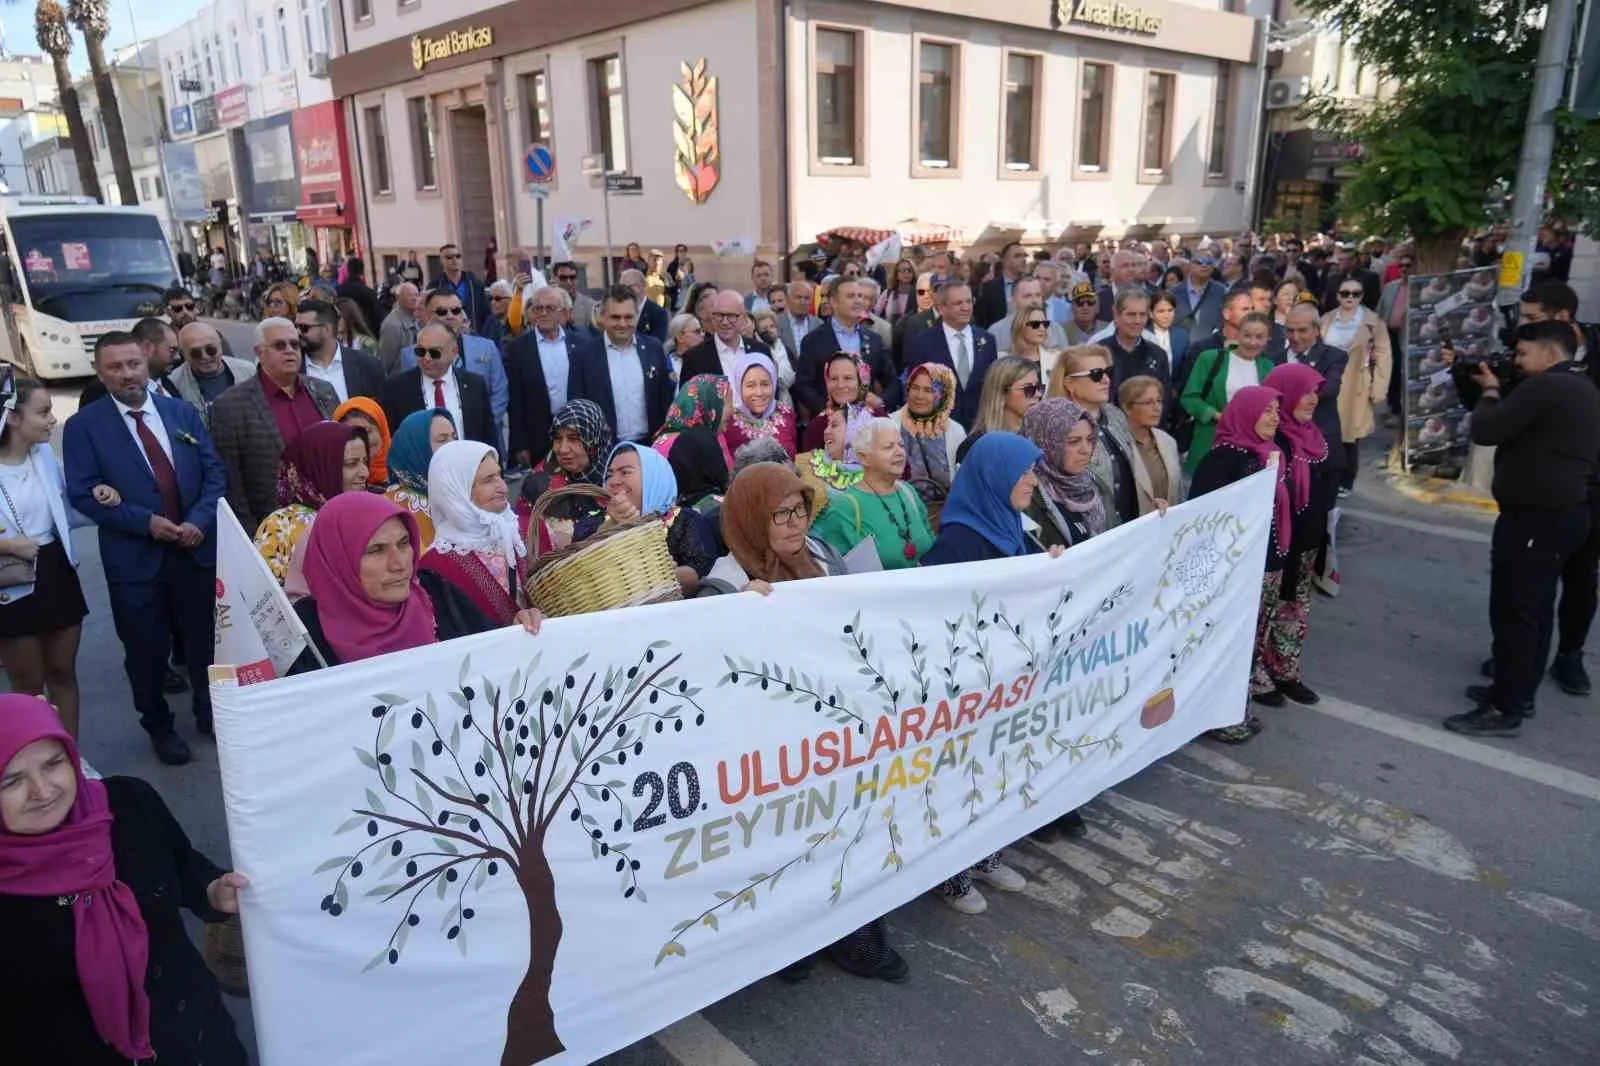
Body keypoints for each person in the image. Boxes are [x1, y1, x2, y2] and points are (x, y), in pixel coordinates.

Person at [0, 694, 250, 1066]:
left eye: (53, 763)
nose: (43, 791)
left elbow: (183, 866)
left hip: (197, 1038)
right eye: (11, 781)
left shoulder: (128, 804)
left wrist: (213, 891)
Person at [64, 333, 228, 766]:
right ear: (101, 372)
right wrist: (144, 523)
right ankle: (158, 724)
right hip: (136, 561)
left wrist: (198, 520)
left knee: (204, 643)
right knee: (146, 649)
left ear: (146, 363)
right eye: (115, 367)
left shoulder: (180, 412)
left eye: (133, 364)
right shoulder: (85, 427)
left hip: (194, 550)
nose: (127, 374)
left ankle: (208, 713)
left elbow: (214, 474)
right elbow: (81, 493)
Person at [920, 432, 1059, 912]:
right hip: (969, 685)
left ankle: (985, 852)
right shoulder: (960, 538)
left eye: (1033, 470)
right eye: (1022, 471)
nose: (1032, 481)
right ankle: (949, 871)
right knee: (961, 773)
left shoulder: (1011, 526)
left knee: (996, 767)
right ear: (994, 475)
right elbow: (934, 614)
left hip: (1006, 680)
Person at [1447, 322, 1600, 737]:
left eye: (1522, 354)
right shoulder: (1582, 386)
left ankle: (1504, 708)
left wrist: (1492, 389)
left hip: (1536, 518)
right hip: (1562, 516)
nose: (1517, 361)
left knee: (1516, 613)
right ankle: (1517, 692)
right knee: (1536, 610)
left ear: (1550, 354)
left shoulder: (1545, 388)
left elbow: (1486, 429)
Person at [290, 495, 539, 673]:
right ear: (337, 560)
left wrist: (517, 629)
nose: (400, 564)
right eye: (376, 550)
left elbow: (492, 651)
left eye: (404, 543)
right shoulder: (305, 635)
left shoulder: (435, 592)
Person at [1189, 385, 1290, 744]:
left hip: (1267, 564)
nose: (1274, 418)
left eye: (1277, 411)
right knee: (1229, 644)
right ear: (1245, 414)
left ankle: (1237, 708)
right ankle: (1216, 716)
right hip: (1236, 571)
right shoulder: (1223, 459)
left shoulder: (1271, 453)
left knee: (1252, 643)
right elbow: (1204, 521)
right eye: (1266, 411)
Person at [0, 380, 92, 736]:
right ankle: (39, 753)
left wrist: (101, 495)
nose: (52, 420)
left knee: (63, 673)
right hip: (13, 577)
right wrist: (8, 547)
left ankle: (70, 756)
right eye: (42, 412)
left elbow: (65, 509)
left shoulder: (43, 457)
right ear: (12, 419)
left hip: (56, 569)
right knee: (28, 685)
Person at [210, 318, 340, 533]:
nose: (290, 351)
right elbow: (231, 480)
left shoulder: (322, 391)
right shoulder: (231, 405)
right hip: (273, 528)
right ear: (259, 352)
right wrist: (251, 536)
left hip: (331, 518)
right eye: (280, 345)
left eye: (295, 345)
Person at [1259, 364, 1336, 707]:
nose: (1312, 399)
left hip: (1309, 541)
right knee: (1265, 610)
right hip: (1276, 544)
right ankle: (1258, 676)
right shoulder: (1272, 440)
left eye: (1316, 391)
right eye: (1305, 391)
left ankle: (1285, 670)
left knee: (1296, 608)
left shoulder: (1315, 434)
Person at [572, 443, 718, 595]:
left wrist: (649, 574)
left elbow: (699, 574)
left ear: (652, 477)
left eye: (625, 472)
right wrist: (611, 526)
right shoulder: (591, 522)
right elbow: (578, 569)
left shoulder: (683, 520)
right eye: (610, 474)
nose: (613, 481)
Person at [418, 441, 534, 627]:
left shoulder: (516, 535)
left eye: (499, 475)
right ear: (457, 490)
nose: (504, 487)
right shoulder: (434, 569)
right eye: (488, 480)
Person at [252, 422, 369, 587]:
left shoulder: (370, 512)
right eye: (351, 464)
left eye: (365, 461)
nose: (365, 473)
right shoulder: (280, 526)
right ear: (320, 467)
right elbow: (269, 600)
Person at [703, 461, 847, 594]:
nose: (795, 522)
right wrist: (740, 605)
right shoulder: (722, 587)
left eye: (800, 507)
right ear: (752, 522)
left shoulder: (827, 558)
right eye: (782, 512)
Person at [812, 417, 936, 569]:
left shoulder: (908, 491)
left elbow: (930, 540)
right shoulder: (845, 507)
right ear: (864, 457)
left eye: (901, 445)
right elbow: (837, 572)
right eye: (888, 447)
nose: (899, 452)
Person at [570, 287, 676, 444]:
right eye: (615, 317)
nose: (622, 323)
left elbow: (665, 399)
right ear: (602, 316)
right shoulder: (583, 355)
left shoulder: (654, 348)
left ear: (637, 316)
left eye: (628, 317)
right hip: (603, 447)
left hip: (650, 445)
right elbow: (576, 406)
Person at [1046, 345, 1138, 527]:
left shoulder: (1115, 415)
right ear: (1069, 384)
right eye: (1096, 374)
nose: (1106, 380)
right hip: (1090, 536)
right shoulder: (1056, 427)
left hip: (1129, 531)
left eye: (1108, 372)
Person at [1180, 313, 1279, 476]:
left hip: (1251, 450)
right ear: (1237, 334)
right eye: (1247, 335)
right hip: (1209, 441)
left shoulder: (1269, 367)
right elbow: (1189, 398)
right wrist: (1216, 415)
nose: (1252, 342)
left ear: (1268, 339)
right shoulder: (1210, 358)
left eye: (1259, 337)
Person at [381, 321, 498, 450]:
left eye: (434, 353)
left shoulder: (474, 384)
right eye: (420, 351)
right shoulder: (397, 389)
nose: (426, 358)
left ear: (454, 352)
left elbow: (488, 435)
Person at [795, 276, 899, 421]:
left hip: (867, 424)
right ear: (834, 302)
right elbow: (803, 385)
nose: (858, 301)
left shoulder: (874, 339)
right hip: (828, 427)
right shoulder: (813, 341)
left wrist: (881, 403)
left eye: (860, 296)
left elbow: (893, 381)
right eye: (851, 296)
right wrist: (826, 411)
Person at [506, 287, 585, 470]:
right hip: (538, 435)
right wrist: (520, 444)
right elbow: (515, 401)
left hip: (577, 430)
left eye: (549, 308)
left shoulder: (581, 344)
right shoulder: (518, 349)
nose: (543, 313)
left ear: (563, 313)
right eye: (537, 308)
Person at [518, 399, 614, 549]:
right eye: (557, 438)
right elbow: (523, 539)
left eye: (573, 438)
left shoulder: (618, 474)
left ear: (594, 438)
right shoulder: (538, 483)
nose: (562, 449)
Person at [1321, 284, 1391, 489]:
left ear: (1362, 296)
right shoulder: (1326, 319)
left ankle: (1346, 480)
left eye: (1356, 293)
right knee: (1326, 431)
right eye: (1345, 293)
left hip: (1356, 385)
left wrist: (1378, 389)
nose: (1350, 297)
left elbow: (1384, 357)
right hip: (1328, 381)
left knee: (1349, 438)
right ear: (1337, 296)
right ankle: (1327, 476)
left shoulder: (1373, 322)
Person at [903, 281, 998, 429]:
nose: (965, 308)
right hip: (939, 427)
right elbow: (913, 387)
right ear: (941, 308)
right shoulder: (922, 342)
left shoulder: (987, 340)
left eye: (968, 301)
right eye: (958, 303)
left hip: (979, 427)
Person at [1019, 398, 1106, 549]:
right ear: (1046, 443)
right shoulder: (1026, 494)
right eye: (1074, 441)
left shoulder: (1093, 483)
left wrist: (1156, 515)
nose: (1086, 450)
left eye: (1090, 439)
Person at [892, 363, 965, 522]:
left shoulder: (955, 431)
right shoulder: (890, 424)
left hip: (944, 517)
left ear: (943, 394)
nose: (919, 396)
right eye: (915, 388)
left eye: (929, 390)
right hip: (899, 516)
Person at [384, 409, 457, 553]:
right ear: (415, 449)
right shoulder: (390, 506)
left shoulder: (465, 491)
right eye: (442, 440)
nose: (453, 445)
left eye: (454, 437)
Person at [296, 298, 386, 404]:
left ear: (327, 329)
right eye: (295, 326)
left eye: (304, 328)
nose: (297, 332)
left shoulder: (367, 365)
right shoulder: (293, 369)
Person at [167, 323, 255, 426]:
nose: (205, 357)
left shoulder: (248, 371)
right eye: (196, 353)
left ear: (221, 346)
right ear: (184, 355)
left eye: (211, 350)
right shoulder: (173, 384)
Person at [958, 355, 1043, 462]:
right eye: (1028, 389)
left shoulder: (1042, 440)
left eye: (1039, 387)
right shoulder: (976, 446)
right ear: (1001, 394)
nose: (1038, 394)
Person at [1118, 375, 1182, 516]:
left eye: (1159, 401)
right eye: (1148, 402)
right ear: (1127, 407)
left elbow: (1178, 493)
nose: (1157, 408)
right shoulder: (1117, 444)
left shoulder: (1168, 441)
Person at [724, 352, 797, 457]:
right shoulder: (728, 422)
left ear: (774, 383)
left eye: (765, 384)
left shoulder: (786, 414)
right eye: (750, 386)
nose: (759, 392)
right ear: (739, 387)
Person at [799, 352, 871, 453]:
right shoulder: (817, 426)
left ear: (861, 382)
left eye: (848, 378)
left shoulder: (878, 418)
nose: (840, 385)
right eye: (833, 379)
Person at [432, 242, 490, 333]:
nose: (455, 260)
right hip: (446, 337)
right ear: (441, 261)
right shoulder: (435, 286)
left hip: (474, 335)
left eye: (458, 256)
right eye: (449, 257)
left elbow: (486, 313)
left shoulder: (475, 283)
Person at [334, 396, 392, 486]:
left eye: (367, 431)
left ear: (381, 431)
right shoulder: (337, 480)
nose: (362, 440)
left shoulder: (403, 466)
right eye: (354, 433)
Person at [1001, 305, 1062, 386]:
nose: (1042, 328)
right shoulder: (1003, 361)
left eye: (1045, 324)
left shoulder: (1057, 358)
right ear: (1020, 326)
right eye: (1035, 324)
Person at [1171, 254, 1228, 337]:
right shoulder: (1174, 292)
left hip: (1211, 345)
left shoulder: (1222, 291)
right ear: (1190, 266)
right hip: (1181, 344)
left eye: (1208, 263)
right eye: (1199, 262)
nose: (1204, 265)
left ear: (1213, 267)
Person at [975, 241, 1029, 327]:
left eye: (1025, 256)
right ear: (1004, 260)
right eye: (1017, 256)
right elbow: (981, 320)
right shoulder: (989, 288)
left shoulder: (1031, 285)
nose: (1023, 259)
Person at [378, 282, 421, 374]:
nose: (414, 298)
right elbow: (386, 361)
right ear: (398, 298)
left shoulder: (415, 318)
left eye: (417, 295)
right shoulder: (392, 324)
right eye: (410, 295)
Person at [1147, 290, 1190, 381]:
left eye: (1170, 310)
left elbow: (1186, 369)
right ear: (1151, 313)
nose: (1167, 316)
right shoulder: (1143, 335)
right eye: (1161, 311)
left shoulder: (1182, 336)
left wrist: (1176, 389)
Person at [335, 256, 382, 339]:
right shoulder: (369, 292)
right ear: (362, 272)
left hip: (342, 335)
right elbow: (377, 318)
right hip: (366, 335)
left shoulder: (337, 291)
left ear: (348, 271)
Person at [664, 312, 705, 381]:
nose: (702, 335)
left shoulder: (708, 361)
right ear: (680, 337)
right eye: (697, 331)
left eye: (702, 331)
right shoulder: (664, 365)